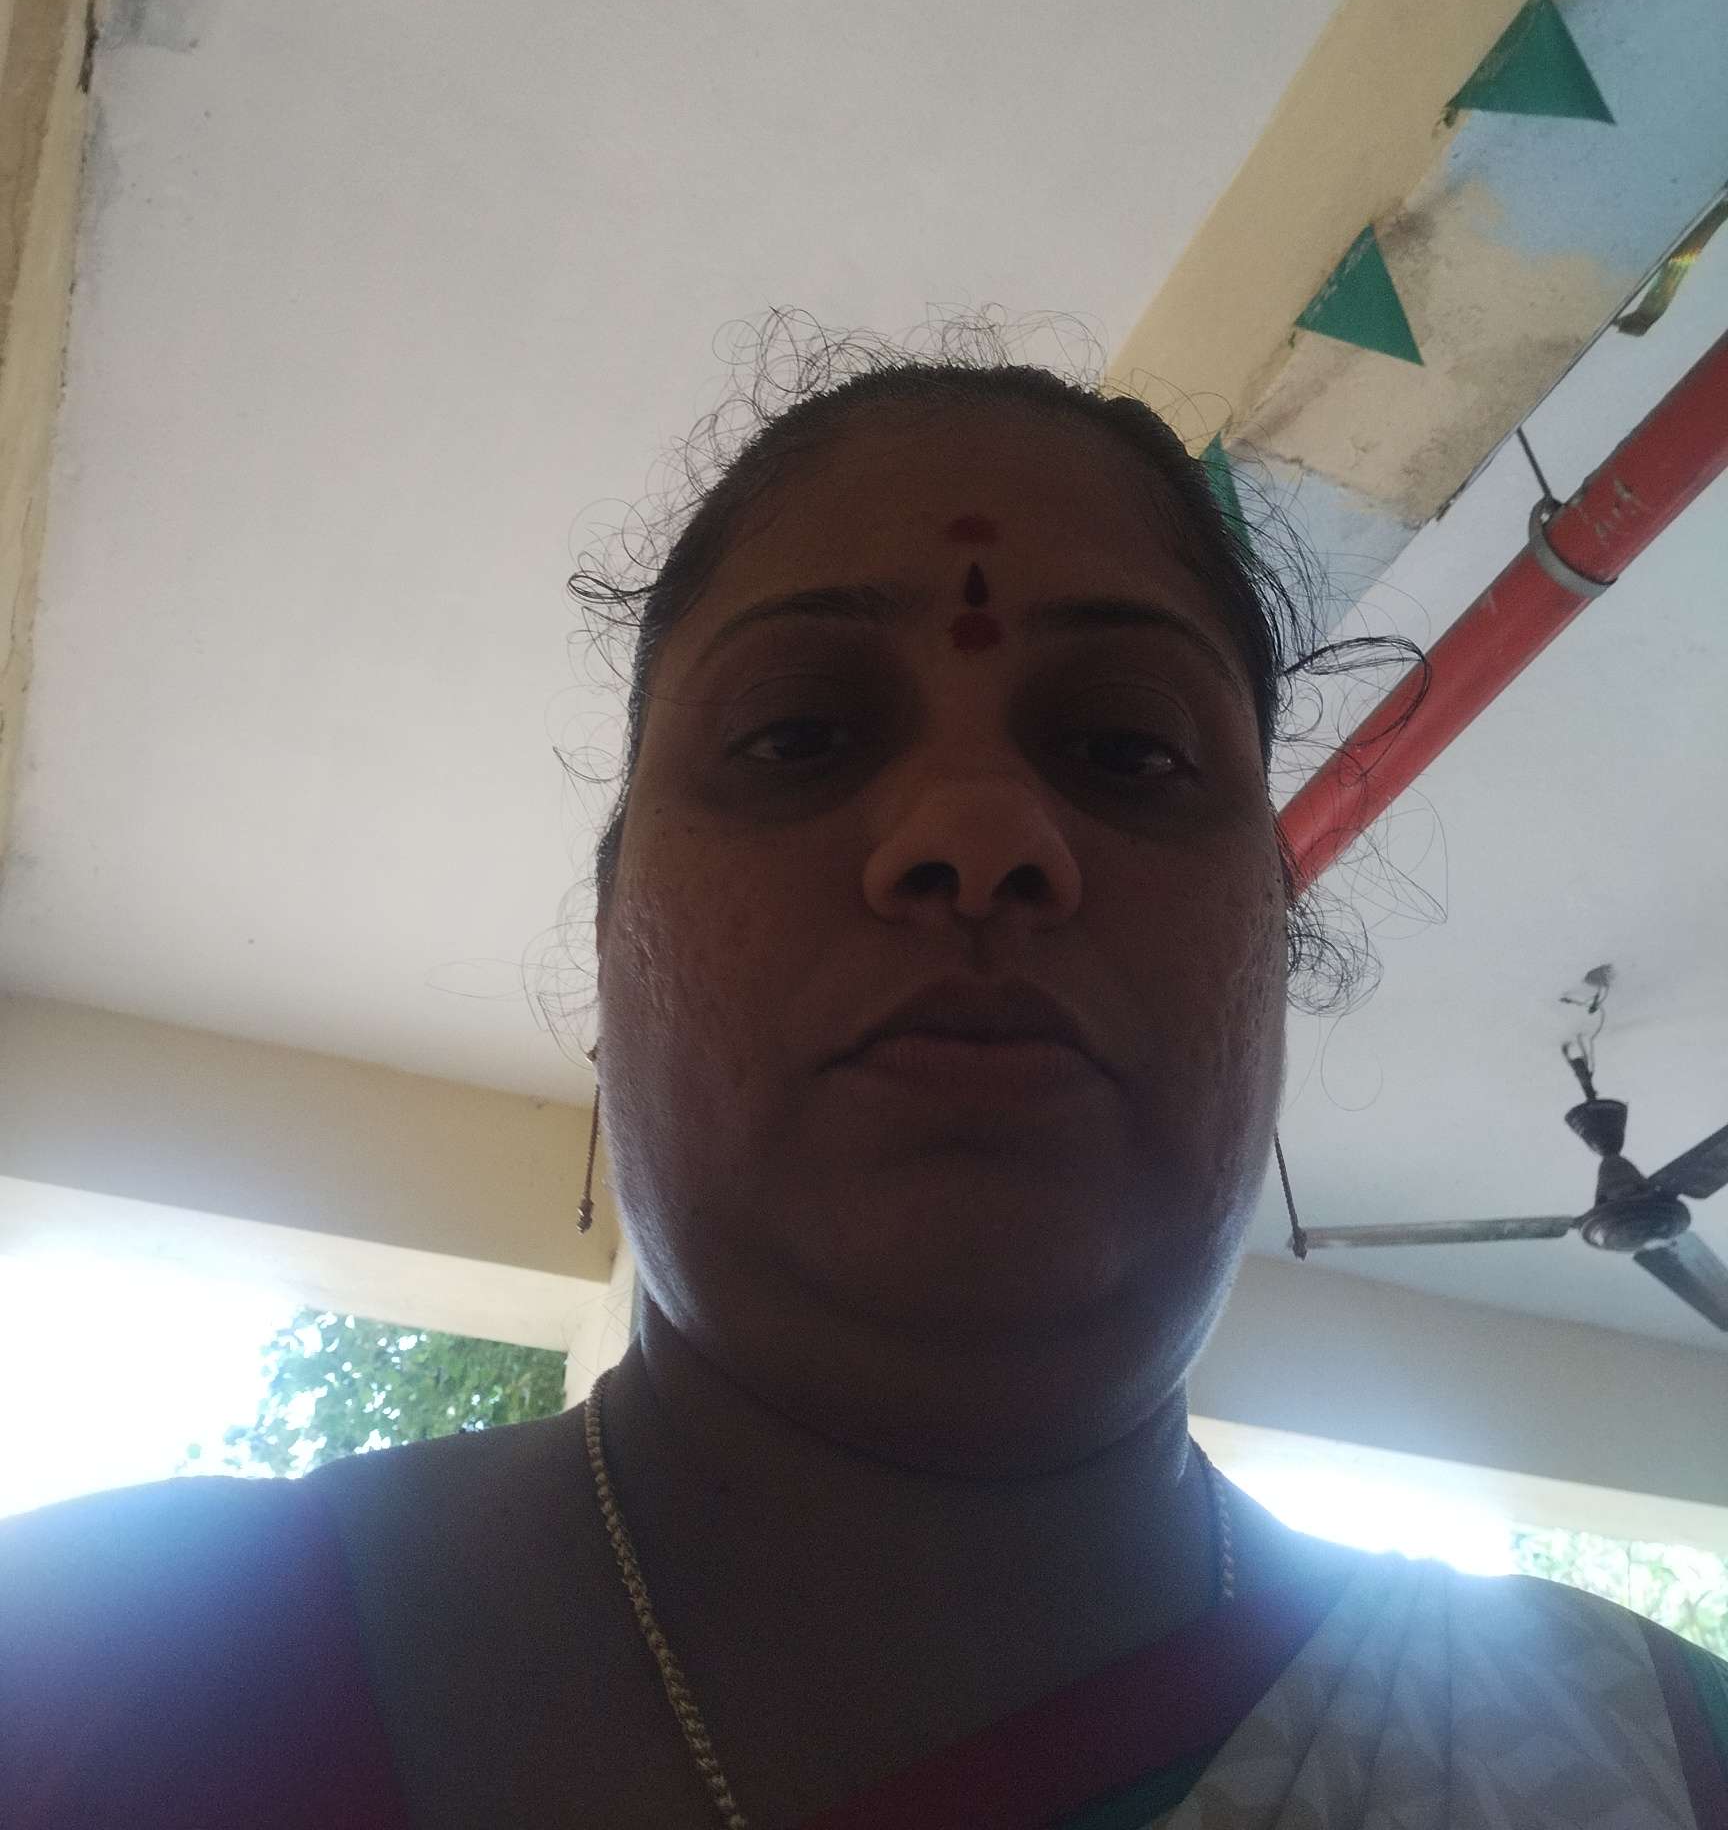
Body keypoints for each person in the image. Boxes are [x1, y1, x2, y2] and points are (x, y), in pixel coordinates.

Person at [3, 325, 1725, 1829]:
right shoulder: (78, 1676)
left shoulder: (1642, 1761)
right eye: (800, 735)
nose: (980, 835)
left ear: (1276, 950)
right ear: (610, 941)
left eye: (1128, 747)